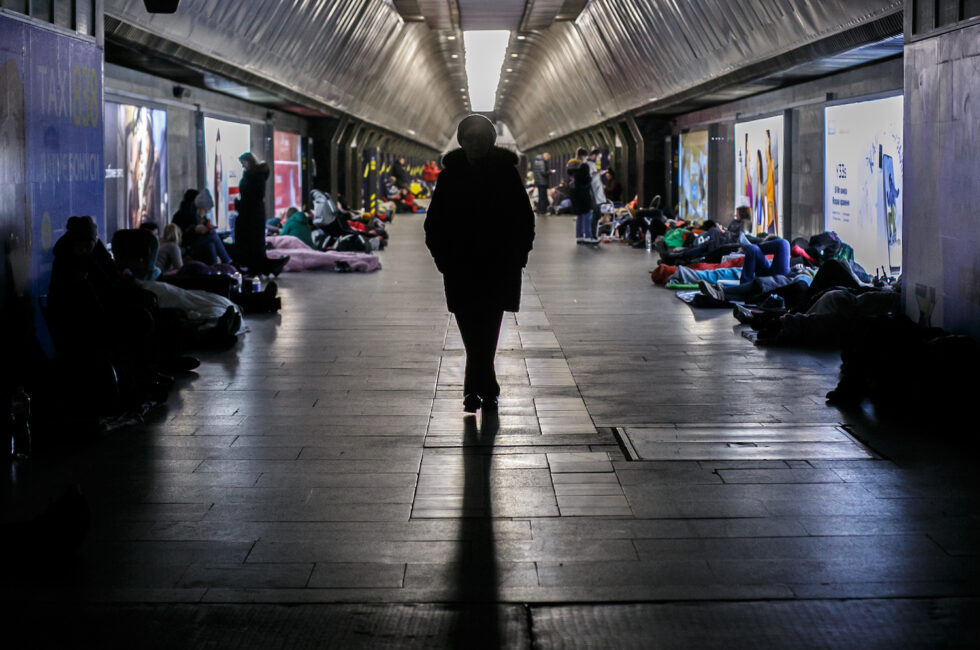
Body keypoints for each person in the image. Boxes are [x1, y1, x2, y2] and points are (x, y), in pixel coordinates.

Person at [424, 115, 535, 413]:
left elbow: (524, 218)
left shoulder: (506, 174)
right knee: (472, 331)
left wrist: (519, 254)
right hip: (460, 265)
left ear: (490, 141)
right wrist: (442, 257)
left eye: (481, 139)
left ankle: (475, 391)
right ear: (462, 141)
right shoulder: (449, 177)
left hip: (498, 265)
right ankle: (486, 388)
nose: (475, 144)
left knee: (487, 329)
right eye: (470, 139)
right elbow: (434, 222)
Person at [232, 152, 287, 276]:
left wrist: (240, 204)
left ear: (249, 161)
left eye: (244, 163)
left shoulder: (256, 176)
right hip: (250, 214)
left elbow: (254, 195)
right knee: (253, 245)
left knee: (252, 244)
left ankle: (263, 267)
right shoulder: (251, 175)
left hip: (251, 215)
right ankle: (268, 267)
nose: (243, 166)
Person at [171, 189, 233, 265]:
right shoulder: (183, 215)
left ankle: (214, 269)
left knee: (211, 244)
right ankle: (228, 261)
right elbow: (185, 235)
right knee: (212, 236)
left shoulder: (197, 214)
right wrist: (196, 230)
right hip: (187, 244)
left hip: (194, 242)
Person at [586, 149, 608, 240]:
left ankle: (594, 234)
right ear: (594, 155)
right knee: (595, 215)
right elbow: (589, 176)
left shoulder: (592, 164)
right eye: (598, 157)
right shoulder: (588, 164)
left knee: (597, 215)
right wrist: (598, 173)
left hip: (597, 194)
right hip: (593, 195)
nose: (599, 160)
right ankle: (592, 235)